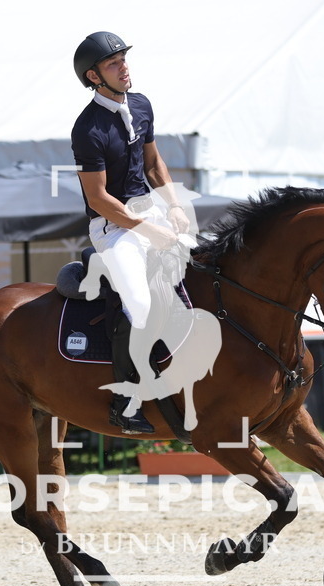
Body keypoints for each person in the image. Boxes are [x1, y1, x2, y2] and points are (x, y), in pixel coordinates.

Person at [71, 30, 191, 434]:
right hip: (113, 228)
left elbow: (154, 165)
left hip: (150, 214)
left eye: (124, 60)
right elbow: (99, 198)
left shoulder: (141, 105)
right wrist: (147, 230)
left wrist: (174, 205)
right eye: (113, 63)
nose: (124, 67)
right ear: (93, 77)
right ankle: (125, 402)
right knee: (139, 303)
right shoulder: (87, 129)